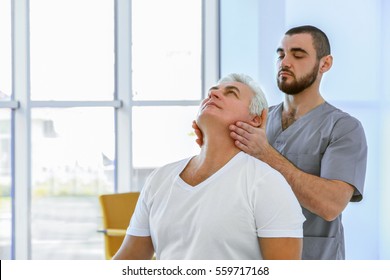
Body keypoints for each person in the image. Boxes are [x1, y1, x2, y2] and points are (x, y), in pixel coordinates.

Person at [195, 26, 368, 260]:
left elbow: (331, 205)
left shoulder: (343, 128)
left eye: (297, 55)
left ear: (324, 64)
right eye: (280, 55)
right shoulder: (256, 120)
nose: (285, 62)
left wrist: (265, 154)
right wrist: (209, 151)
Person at [113, 73, 305, 260]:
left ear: (256, 119)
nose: (213, 94)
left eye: (231, 93)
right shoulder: (159, 179)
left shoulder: (267, 183)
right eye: (211, 92)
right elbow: (129, 260)